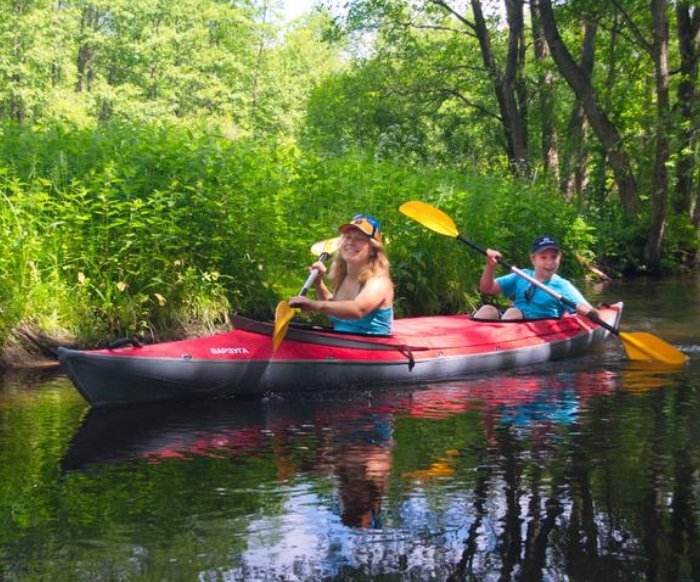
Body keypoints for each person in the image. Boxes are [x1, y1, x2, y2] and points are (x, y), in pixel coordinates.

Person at [289, 213, 394, 335]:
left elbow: (357, 309)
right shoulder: (342, 277)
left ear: (373, 249)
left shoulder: (379, 281)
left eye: (360, 239)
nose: (351, 242)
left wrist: (314, 305)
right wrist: (318, 282)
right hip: (341, 345)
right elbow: (335, 309)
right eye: (347, 237)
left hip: (371, 349)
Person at [473, 234, 599, 320]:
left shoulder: (562, 286)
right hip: (512, 321)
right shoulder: (522, 275)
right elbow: (486, 289)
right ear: (532, 259)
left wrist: (587, 311)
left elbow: (594, 313)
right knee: (487, 309)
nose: (549, 263)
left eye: (554, 257)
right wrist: (490, 266)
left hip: (537, 331)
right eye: (543, 257)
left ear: (560, 257)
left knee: (513, 312)